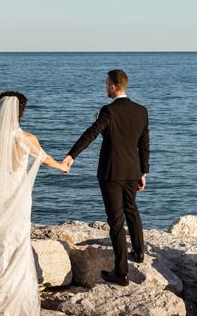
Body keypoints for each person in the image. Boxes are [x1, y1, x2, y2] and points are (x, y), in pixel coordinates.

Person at [0, 91, 68, 316]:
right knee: (16, 247)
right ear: (21, 112)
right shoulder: (28, 139)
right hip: (18, 201)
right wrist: (63, 166)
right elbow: (46, 159)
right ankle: (13, 304)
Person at [63, 69, 149, 286]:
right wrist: (143, 172)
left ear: (112, 86)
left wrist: (71, 155)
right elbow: (144, 144)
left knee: (116, 221)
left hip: (111, 173)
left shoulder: (108, 111)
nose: (105, 87)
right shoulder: (141, 111)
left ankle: (121, 273)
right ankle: (139, 253)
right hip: (132, 171)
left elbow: (91, 133)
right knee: (132, 210)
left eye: (106, 84)